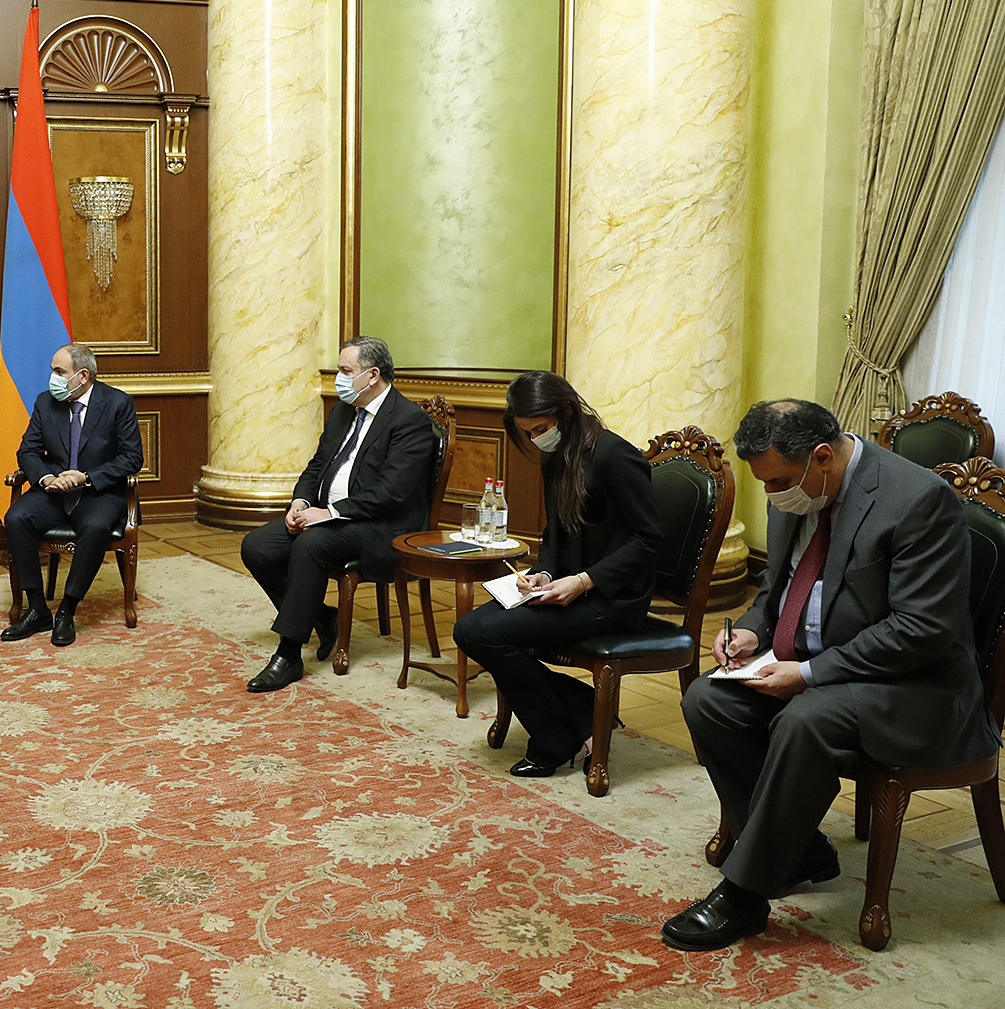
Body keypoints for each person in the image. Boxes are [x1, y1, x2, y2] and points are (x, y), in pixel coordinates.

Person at [661, 399, 998, 951]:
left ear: (821, 456)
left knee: (805, 719)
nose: (772, 495)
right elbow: (776, 590)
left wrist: (810, 673)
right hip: (822, 666)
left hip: (916, 686)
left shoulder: (918, 500)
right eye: (764, 483)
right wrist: (749, 632)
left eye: (778, 482)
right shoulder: (797, 490)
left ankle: (745, 895)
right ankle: (800, 852)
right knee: (708, 700)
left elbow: (920, 631)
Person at [452, 371, 664, 776]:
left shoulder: (615, 455)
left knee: (487, 634)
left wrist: (584, 581)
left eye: (540, 429)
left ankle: (552, 740)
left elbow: (650, 540)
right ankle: (584, 710)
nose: (536, 439)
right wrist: (545, 573)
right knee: (469, 629)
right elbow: (554, 532)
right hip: (569, 586)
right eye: (528, 433)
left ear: (566, 410)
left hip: (612, 598)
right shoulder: (557, 455)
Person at [239, 335, 436, 692]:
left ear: (372, 375)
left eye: (346, 371)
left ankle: (288, 655)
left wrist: (329, 513)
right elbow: (317, 465)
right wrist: (300, 502)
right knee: (257, 546)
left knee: (312, 544)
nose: (339, 379)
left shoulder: (410, 421)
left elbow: (390, 493)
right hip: (328, 516)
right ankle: (322, 617)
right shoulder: (344, 411)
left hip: (381, 527)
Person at [0, 343, 143, 648]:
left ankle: (67, 609)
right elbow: (27, 451)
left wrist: (86, 477)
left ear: (83, 376)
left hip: (99, 493)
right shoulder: (45, 402)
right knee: (16, 517)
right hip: (54, 492)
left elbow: (132, 458)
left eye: (59, 371)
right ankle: (37, 609)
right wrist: (47, 478)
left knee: (95, 526)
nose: (52, 378)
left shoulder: (118, 403)